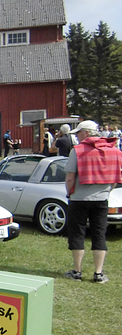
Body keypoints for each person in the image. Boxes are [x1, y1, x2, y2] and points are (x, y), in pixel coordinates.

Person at [63, 120, 122, 284]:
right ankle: (98, 273)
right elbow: (115, 180)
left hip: (79, 199)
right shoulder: (114, 150)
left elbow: (70, 178)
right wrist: (105, 191)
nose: (77, 137)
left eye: (79, 133)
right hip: (101, 199)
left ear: (87, 133)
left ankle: (77, 271)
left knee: (77, 233)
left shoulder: (78, 150)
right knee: (99, 234)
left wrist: (70, 193)